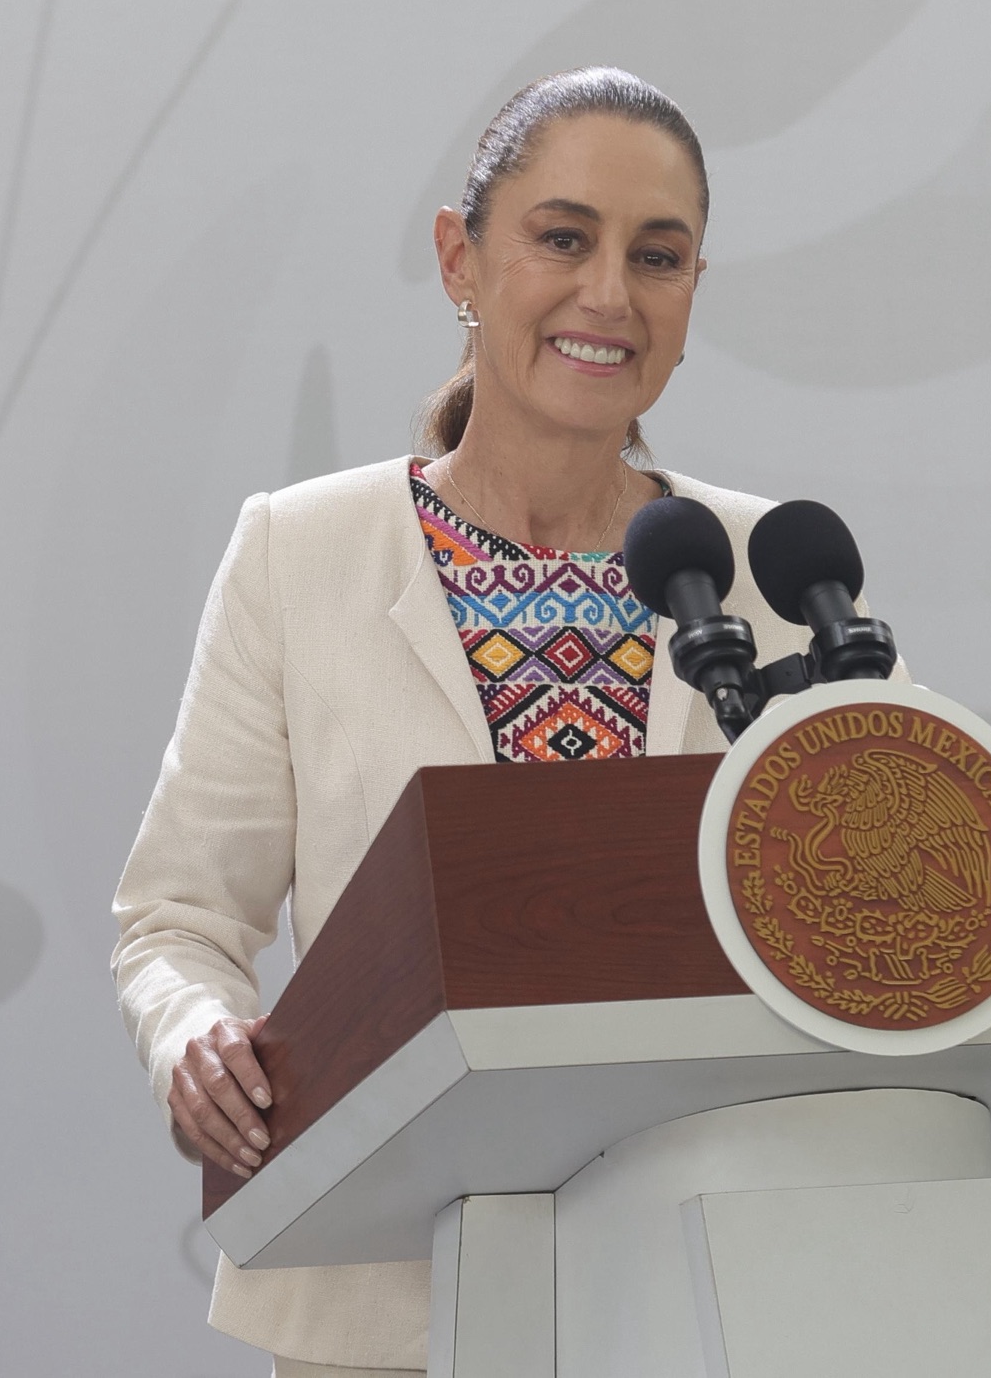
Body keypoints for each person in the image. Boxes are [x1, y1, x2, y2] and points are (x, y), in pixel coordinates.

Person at [111, 67, 819, 1377]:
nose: (609, 293)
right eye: (563, 238)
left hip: (712, 1296)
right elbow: (177, 921)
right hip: (384, 1299)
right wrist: (192, 1035)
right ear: (461, 259)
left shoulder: (776, 572)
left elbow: (886, 886)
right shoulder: (300, 554)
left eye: (655, 256)